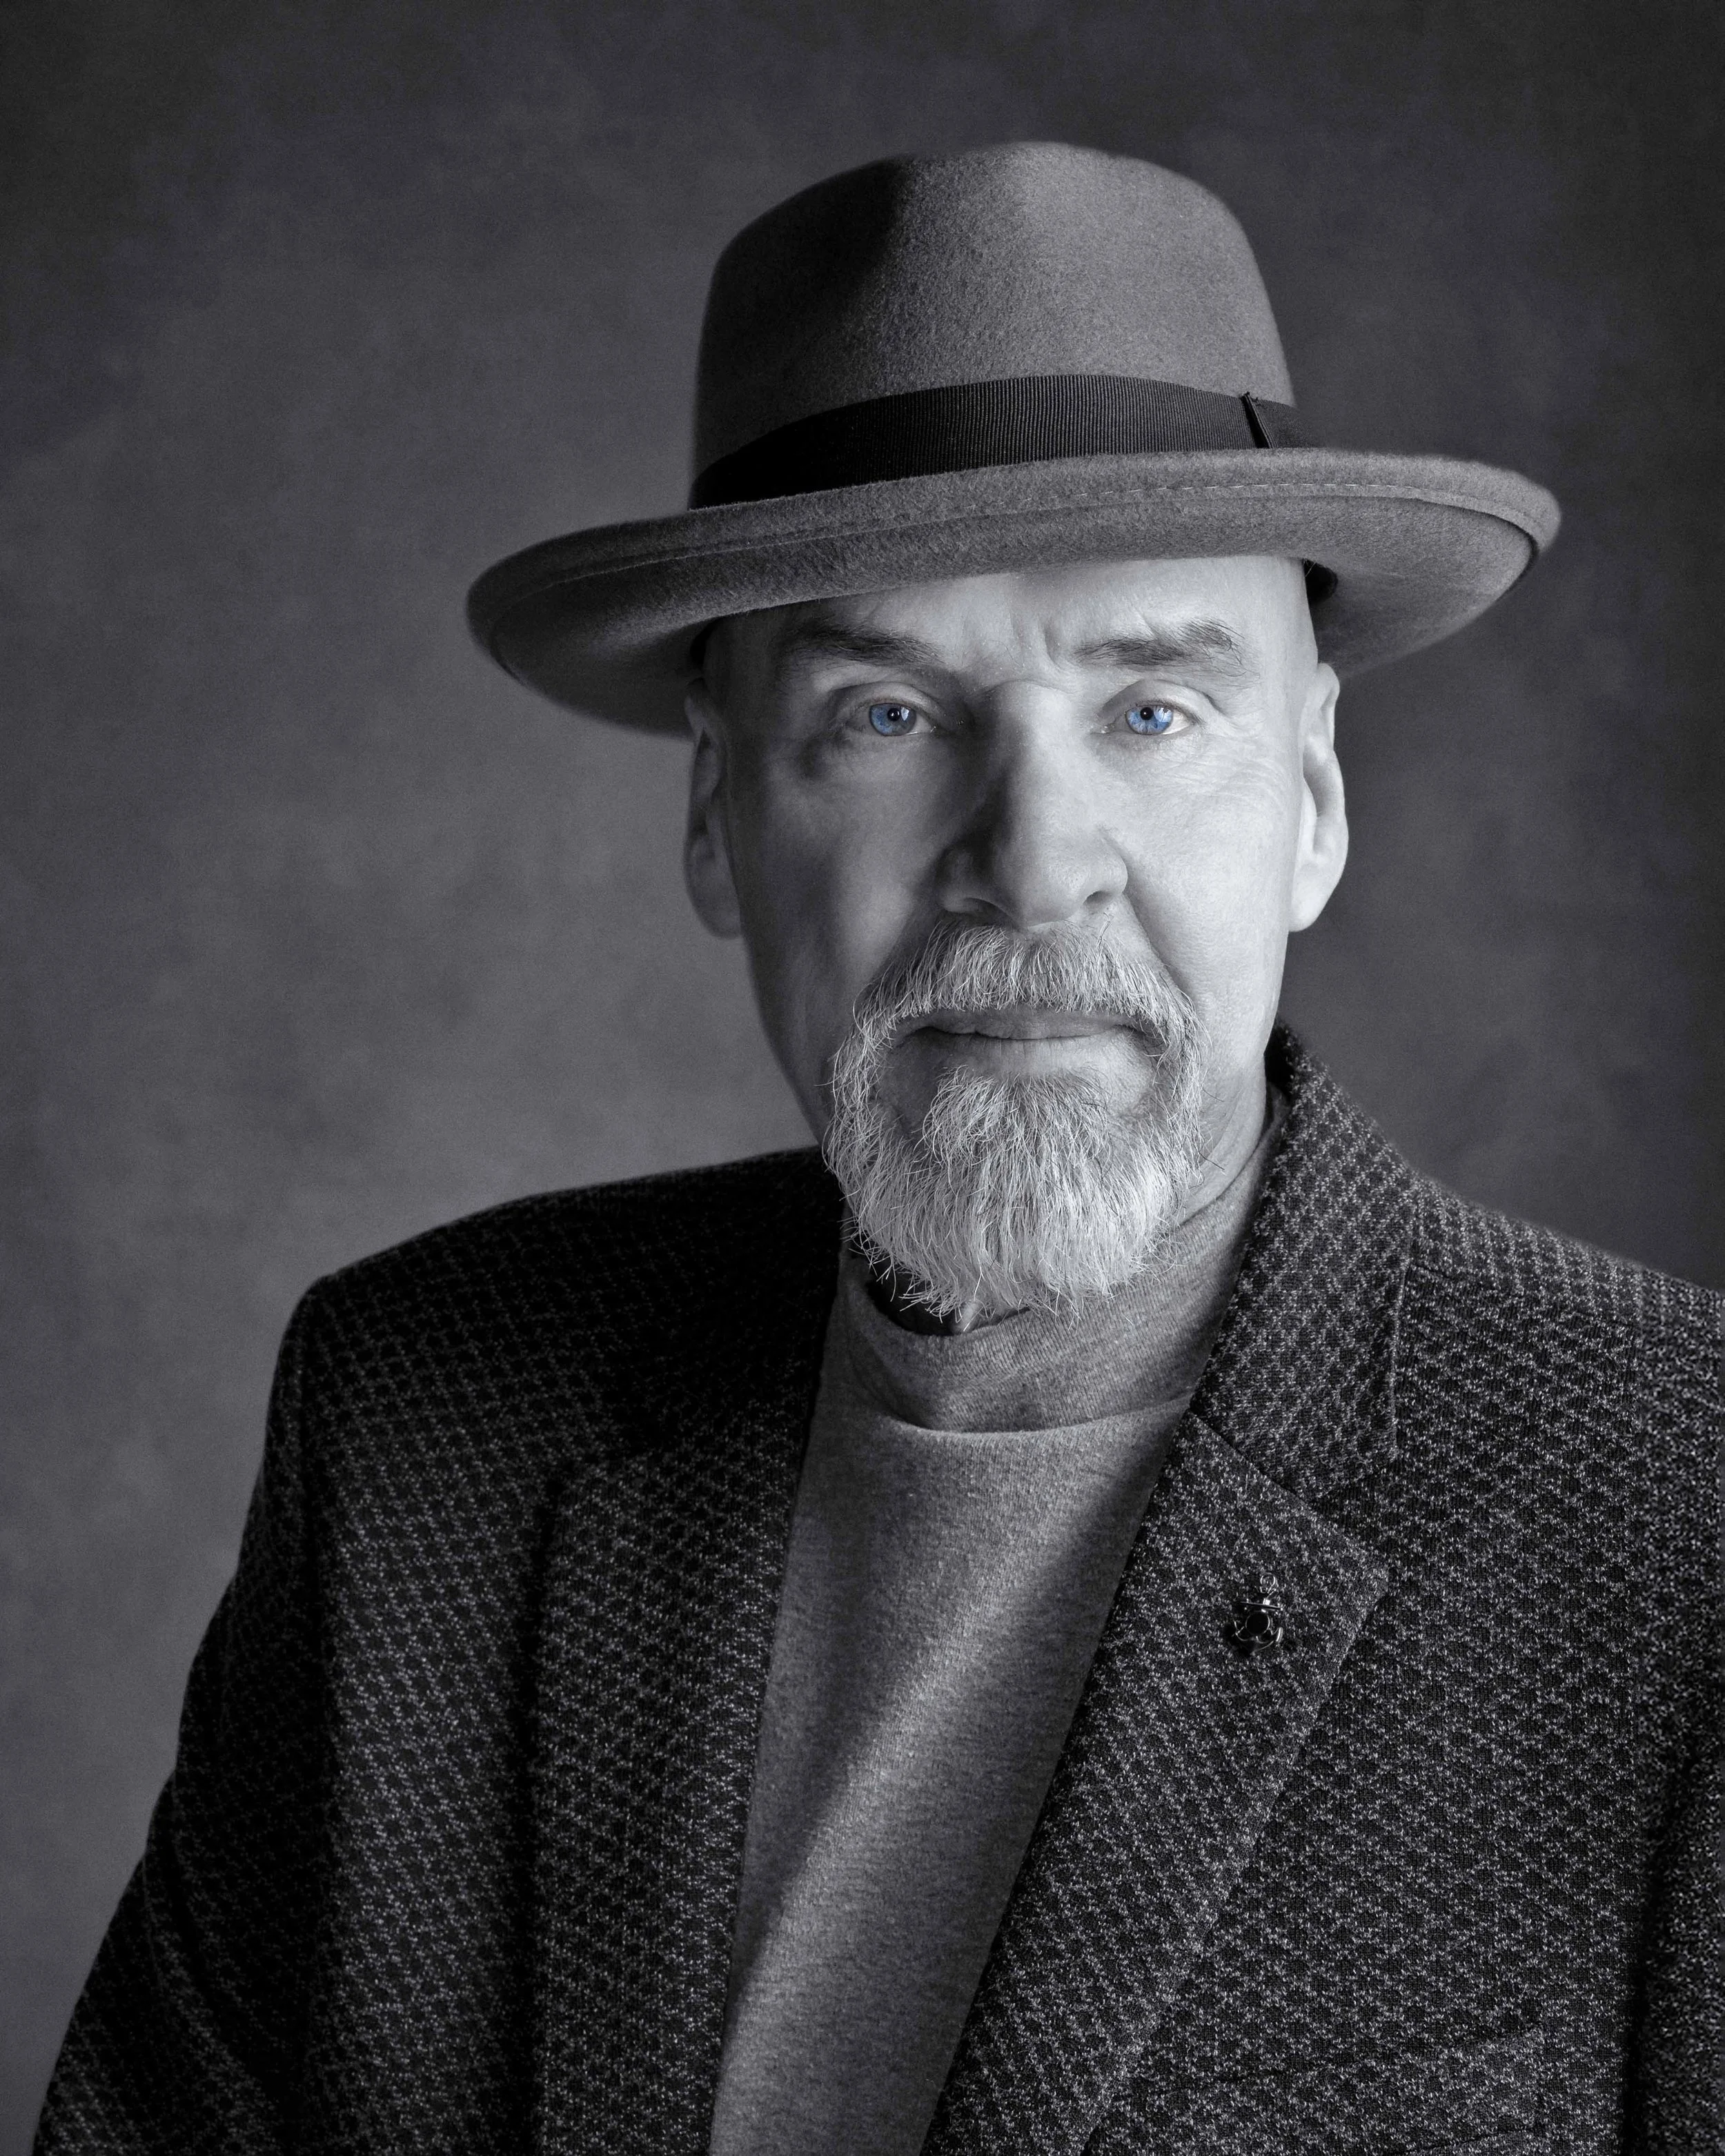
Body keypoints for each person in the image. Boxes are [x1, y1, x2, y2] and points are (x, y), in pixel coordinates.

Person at [37, 143, 1718, 2156]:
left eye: (1154, 711)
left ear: (1316, 804)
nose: (1033, 861)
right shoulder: (411, 1434)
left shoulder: (1681, 1510)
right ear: (716, 816)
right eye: (889, 714)